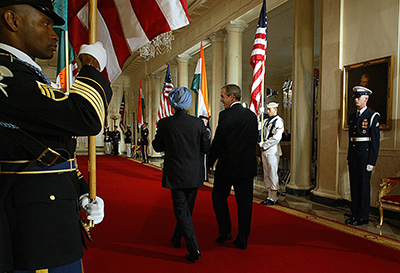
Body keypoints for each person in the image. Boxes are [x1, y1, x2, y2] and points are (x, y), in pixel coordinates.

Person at [0, 0, 112, 272]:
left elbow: (53, 149)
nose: (54, 33)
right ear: (13, 20)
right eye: (45, 23)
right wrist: (90, 67)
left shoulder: (26, 73)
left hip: (49, 217)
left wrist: (81, 192)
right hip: (33, 231)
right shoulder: (6, 73)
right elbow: (85, 117)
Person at [152, 87, 209, 262]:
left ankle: (194, 250)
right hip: (193, 173)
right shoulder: (198, 123)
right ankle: (177, 237)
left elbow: (157, 147)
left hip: (175, 173)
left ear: (172, 103)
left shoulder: (165, 123)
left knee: (182, 210)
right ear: (188, 103)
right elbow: (205, 148)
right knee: (186, 210)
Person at [208, 84, 258, 250]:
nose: (221, 100)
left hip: (227, 166)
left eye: (223, 96)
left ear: (232, 97)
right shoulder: (252, 116)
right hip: (246, 167)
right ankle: (243, 238)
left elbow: (218, 142)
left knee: (218, 197)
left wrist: (208, 162)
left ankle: (225, 231)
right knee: (245, 203)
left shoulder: (225, 115)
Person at [345, 86, 380, 226]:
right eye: (355, 97)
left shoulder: (372, 116)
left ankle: (363, 216)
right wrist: (349, 156)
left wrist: (372, 161)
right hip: (354, 156)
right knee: (354, 186)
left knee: (363, 187)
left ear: (366, 98)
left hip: (364, 157)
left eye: (358, 97)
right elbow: (351, 139)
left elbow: (375, 142)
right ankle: (355, 214)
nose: (356, 99)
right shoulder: (353, 117)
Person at [259, 102, 284, 205]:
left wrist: (265, 144)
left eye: (270, 109)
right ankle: (269, 195)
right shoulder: (265, 121)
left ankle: (274, 197)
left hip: (272, 150)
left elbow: (276, 138)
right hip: (265, 150)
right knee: (266, 174)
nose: (268, 111)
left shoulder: (279, 121)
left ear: (275, 110)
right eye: (267, 109)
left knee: (273, 173)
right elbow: (258, 128)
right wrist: (258, 115)